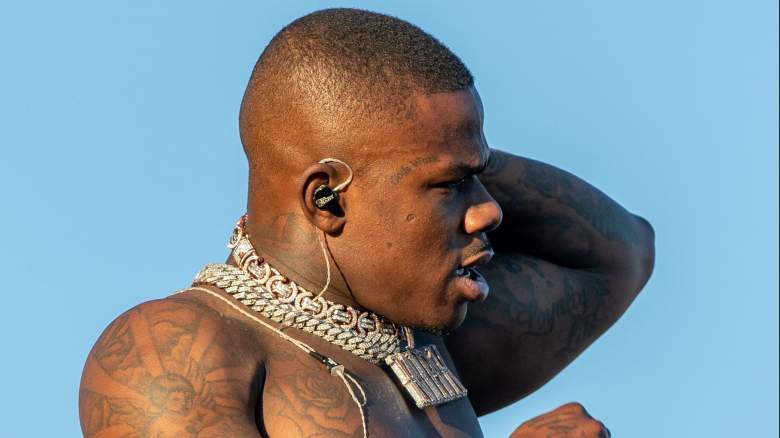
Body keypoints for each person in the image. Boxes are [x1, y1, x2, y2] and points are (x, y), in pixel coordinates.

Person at [79, 8, 655, 438]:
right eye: (450, 185)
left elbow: (623, 253)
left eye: (478, 179)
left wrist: (450, 148)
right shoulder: (175, 350)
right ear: (326, 199)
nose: (489, 210)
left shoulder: (429, 340)